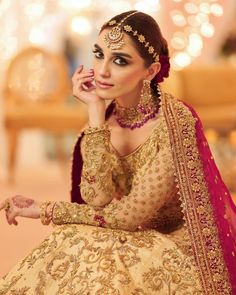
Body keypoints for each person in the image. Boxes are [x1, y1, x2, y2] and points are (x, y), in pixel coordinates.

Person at [0, 10, 236, 295]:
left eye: (120, 60)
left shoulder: (173, 125)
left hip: (173, 242)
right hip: (127, 232)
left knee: (99, 253)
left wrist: (44, 209)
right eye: (99, 55)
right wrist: (96, 117)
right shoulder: (101, 121)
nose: (102, 71)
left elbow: (126, 216)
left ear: (150, 71)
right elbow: (97, 199)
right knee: (74, 238)